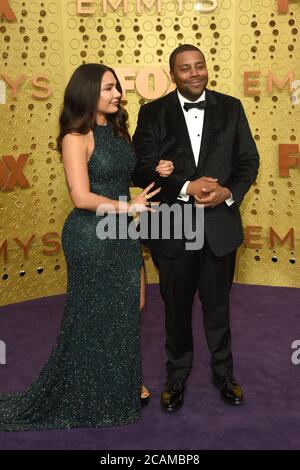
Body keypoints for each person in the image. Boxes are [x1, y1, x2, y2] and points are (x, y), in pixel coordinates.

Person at [0, 63, 174, 431]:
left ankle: (118, 379)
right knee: (95, 310)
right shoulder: (75, 137)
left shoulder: (114, 130)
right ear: (87, 92)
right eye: (109, 88)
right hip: (90, 235)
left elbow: (112, 181)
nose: (117, 94)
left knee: (133, 303)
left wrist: (140, 192)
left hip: (119, 226)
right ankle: (100, 389)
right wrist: (130, 207)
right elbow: (80, 196)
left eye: (117, 88)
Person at [132, 44, 260, 411]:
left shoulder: (232, 107)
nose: (194, 73)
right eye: (185, 68)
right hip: (172, 229)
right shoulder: (152, 113)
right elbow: (140, 170)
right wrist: (186, 187)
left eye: (199, 66)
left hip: (219, 229)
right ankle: (176, 374)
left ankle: (224, 372)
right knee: (175, 308)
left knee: (218, 308)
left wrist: (227, 193)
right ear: (173, 75)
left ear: (207, 68)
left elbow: (248, 162)